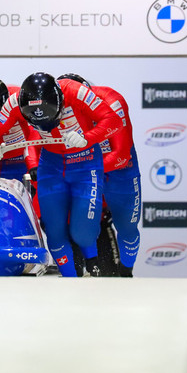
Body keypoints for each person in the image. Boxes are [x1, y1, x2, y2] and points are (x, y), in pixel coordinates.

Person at [0, 72, 123, 277]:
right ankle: (70, 280)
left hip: (86, 164)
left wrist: (88, 137)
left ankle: (93, 262)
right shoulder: (15, 101)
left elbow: (113, 120)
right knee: (54, 230)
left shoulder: (76, 92)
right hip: (52, 165)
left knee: (82, 231)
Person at [58, 74, 141, 278]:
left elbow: (121, 155)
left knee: (128, 228)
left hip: (120, 170)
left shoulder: (112, 102)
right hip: (87, 170)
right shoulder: (57, 109)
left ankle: (126, 271)